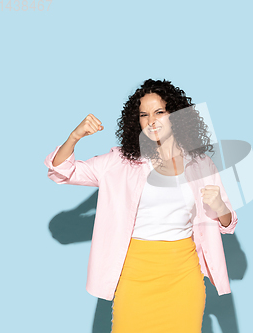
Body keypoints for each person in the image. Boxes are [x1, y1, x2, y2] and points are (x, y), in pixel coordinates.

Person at [44, 79, 238, 333]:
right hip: (134, 272)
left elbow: (227, 224)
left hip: (183, 273)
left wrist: (219, 206)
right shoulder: (119, 163)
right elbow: (63, 171)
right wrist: (74, 137)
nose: (152, 120)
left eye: (160, 112)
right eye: (144, 115)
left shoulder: (201, 165)